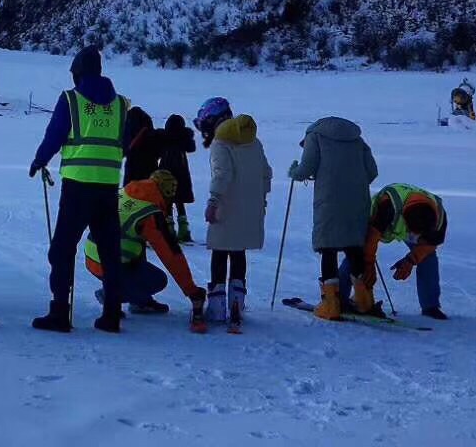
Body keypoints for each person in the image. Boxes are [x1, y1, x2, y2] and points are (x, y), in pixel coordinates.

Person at [28, 45, 130, 333]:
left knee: (62, 249)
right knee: (110, 252)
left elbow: (55, 135)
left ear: (78, 73)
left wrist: (39, 160)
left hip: (77, 188)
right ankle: (111, 315)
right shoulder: (121, 104)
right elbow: (125, 141)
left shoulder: (71, 100)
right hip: (108, 187)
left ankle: (60, 312)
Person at [83, 170, 206, 330]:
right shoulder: (150, 213)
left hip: (94, 255)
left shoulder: (128, 192)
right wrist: (192, 290)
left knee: (137, 249)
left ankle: (139, 301)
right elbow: (170, 255)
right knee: (157, 280)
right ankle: (112, 295)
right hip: (104, 264)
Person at [288, 116, 378, 321]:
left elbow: (306, 168)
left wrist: (294, 171)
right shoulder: (357, 140)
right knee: (354, 247)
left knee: (328, 248)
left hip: (329, 201)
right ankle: (364, 300)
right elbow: (372, 172)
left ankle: (331, 304)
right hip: (357, 200)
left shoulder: (315, 137)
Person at [201, 101, 271, 329]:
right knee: (238, 252)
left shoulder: (221, 143)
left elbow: (222, 174)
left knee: (220, 253)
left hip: (226, 206)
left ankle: (217, 307)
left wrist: (213, 201)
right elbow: (266, 174)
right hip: (250, 208)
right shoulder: (254, 142)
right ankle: (237, 304)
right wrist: (261, 200)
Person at [341, 183, 449, 320]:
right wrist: (368, 264)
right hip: (378, 222)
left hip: (404, 221)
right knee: (357, 255)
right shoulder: (387, 205)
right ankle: (338, 298)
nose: (413, 237)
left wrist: (411, 260)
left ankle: (431, 307)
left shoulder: (439, 218)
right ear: (405, 219)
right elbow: (372, 238)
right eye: (412, 232)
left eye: (418, 235)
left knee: (428, 258)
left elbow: (430, 245)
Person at [160, 113, 197, 243]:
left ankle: (169, 230)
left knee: (167, 202)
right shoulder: (183, 140)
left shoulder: (164, 139)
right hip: (182, 174)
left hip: (165, 173)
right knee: (180, 202)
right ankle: (184, 230)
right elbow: (191, 147)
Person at [122, 106, 162, 184]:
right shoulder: (152, 135)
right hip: (150, 171)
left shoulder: (128, 129)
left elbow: (123, 150)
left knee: (130, 193)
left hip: (132, 170)